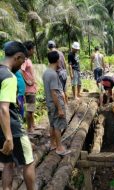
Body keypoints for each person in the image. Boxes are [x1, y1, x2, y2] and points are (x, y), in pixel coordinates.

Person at [0, 41, 35, 190]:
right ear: (18, 57)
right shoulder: (9, 77)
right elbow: (3, 108)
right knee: (29, 161)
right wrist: (9, 137)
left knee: (8, 162)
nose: (21, 66)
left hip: (0, 127)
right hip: (12, 128)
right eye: (22, 61)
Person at [43, 51, 71, 156]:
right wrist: (59, 107)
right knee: (58, 125)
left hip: (49, 103)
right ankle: (59, 147)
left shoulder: (46, 72)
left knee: (52, 124)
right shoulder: (53, 74)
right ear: (58, 60)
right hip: (55, 103)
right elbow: (54, 92)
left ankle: (52, 144)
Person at [21, 41, 37, 133]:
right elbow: (21, 71)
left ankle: (33, 125)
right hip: (28, 89)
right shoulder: (25, 60)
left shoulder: (28, 60)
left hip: (31, 88)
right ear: (30, 49)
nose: (34, 51)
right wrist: (27, 81)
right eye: (33, 49)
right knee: (30, 108)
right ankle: (29, 128)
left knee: (32, 108)